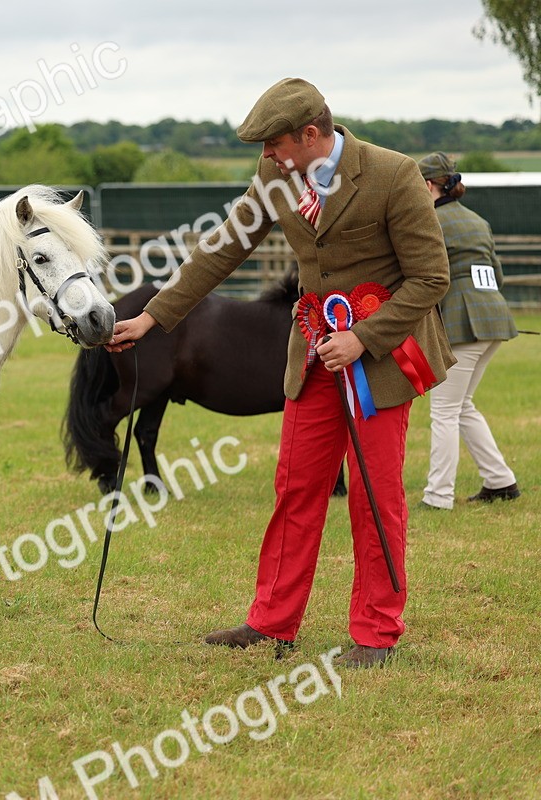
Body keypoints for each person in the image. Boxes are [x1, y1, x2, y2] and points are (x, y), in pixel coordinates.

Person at [107, 78, 455, 668]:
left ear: (311, 134)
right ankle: (271, 622)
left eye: (274, 145)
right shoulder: (274, 178)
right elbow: (220, 250)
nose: (266, 157)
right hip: (311, 357)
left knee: (376, 501)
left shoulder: (394, 175)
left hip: (380, 363)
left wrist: (362, 336)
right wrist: (153, 317)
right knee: (295, 490)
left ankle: (376, 632)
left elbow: (431, 277)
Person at [417, 152, 520, 509]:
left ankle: (438, 496)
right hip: (495, 321)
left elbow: (428, 280)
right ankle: (501, 481)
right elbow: (498, 276)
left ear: (429, 185)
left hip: (464, 325)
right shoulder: (478, 220)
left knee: (444, 410)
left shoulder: (430, 221)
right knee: (461, 407)